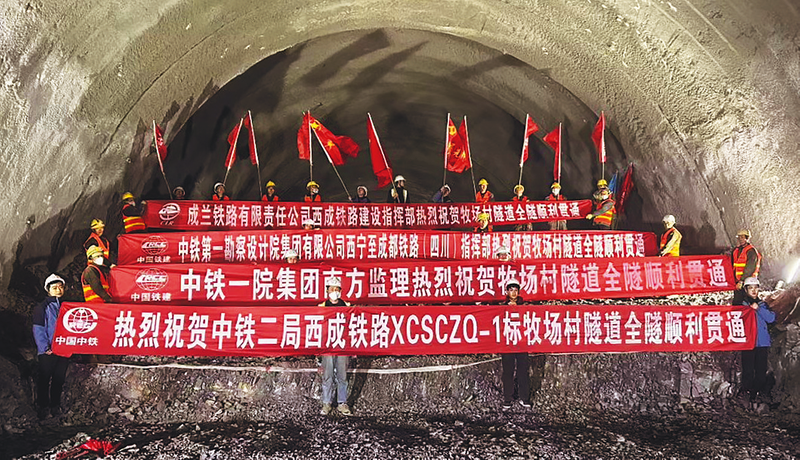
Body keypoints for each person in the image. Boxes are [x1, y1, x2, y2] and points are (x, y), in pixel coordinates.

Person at [32, 274, 69, 419]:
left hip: (63, 349)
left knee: (59, 379)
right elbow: (38, 329)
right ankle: (43, 407)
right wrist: (44, 348)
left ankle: (55, 406)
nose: (58, 290)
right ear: (48, 290)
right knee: (44, 379)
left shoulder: (67, 306)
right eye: (54, 288)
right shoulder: (42, 307)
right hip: (48, 351)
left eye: (60, 287)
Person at [319, 277, 353, 416]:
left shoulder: (347, 307)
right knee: (327, 375)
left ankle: (342, 403)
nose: (334, 292)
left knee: (342, 375)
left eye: (337, 289)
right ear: (327, 291)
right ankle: (326, 403)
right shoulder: (321, 307)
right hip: (327, 345)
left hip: (342, 345)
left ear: (340, 291)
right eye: (332, 289)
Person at [739, 277, 776, 405]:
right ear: (746, 290)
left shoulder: (763, 305)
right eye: (751, 288)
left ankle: (755, 393)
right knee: (748, 371)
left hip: (762, 343)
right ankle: (747, 394)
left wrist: (758, 309)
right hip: (748, 343)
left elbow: (771, 318)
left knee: (761, 372)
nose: (754, 290)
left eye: (756, 288)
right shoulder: (741, 306)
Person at [500, 278, 531, 409]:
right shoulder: (501, 307)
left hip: (521, 342)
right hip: (507, 343)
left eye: (516, 290)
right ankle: (508, 399)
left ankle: (524, 398)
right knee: (508, 371)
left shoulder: (525, 306)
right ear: (507, 292)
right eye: (511, 290)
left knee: (523, 371)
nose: (513, 292)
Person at [732, 229, 762, 304]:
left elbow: (750, 268)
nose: (740, 239)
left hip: (749, 282)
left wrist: (741, 281)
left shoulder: (751, 251)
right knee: (738, 302)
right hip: (738, 281)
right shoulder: (736, 250)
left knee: (750, 302)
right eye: (739, 237)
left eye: (742, 237)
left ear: (747, 238)